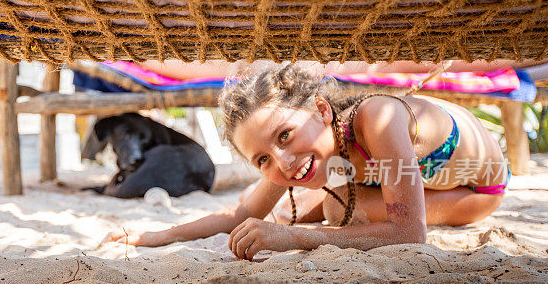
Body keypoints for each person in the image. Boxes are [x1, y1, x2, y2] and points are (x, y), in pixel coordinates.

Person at [104, 65, 510, 259]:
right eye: (262, 158)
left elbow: (409, 233)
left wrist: (293, 238)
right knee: (322, 202)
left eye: (284, 135)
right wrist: (156, 237)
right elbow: (239, 213)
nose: (282, 160)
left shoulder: (378, 120)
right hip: (414, 177)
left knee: (336, 207)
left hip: (478, 189)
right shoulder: (307, 149)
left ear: (321, 110)